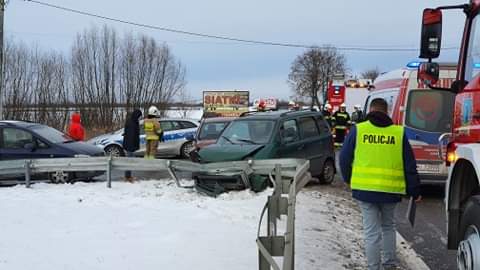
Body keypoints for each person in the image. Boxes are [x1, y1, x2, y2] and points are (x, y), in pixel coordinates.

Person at [339, 98, 421, 270]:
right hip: (390, 191)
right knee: (388, 227)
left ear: (370, 110)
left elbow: (344, 158)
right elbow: (409, 164)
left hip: (364, 190)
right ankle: (390, 264)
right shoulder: (398, 133)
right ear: (387, 111)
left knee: (371, 232)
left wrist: (348, 180)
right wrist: (415, 190)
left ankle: (373, 267)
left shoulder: (359, 130)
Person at [122, 109, 142, 182]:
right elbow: (131, 135)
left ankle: (128, 176)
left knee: (130, 160)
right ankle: (127, 177)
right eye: (139, 116)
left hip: (130, 144)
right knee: (129, 161)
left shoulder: (133, 121)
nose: (140, 118)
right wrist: (132, 147)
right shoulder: (132, 123)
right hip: (130, 145)